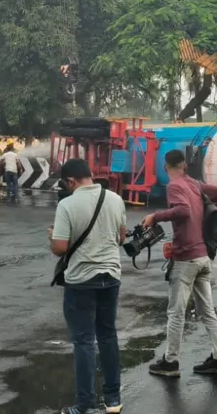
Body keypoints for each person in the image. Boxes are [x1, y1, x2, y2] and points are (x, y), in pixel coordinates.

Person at [142, 150, 217, 378]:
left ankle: (170, 362)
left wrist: (155, 217)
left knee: (176, 312)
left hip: (186, 260)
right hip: (203, 257)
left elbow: (183, 211)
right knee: (207, 311)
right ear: (185, 165)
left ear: (166, 167)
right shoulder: (195, 184)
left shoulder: (174, 187)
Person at [49, 159, 127, 414]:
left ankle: (84, 404)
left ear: (71, 181)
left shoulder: (67, 205)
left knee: (83, 341)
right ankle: (113, 400)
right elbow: (121, 237)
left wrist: (52, 237)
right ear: (90, 175)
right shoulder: (115, 199)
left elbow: (60, 247)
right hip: (111, 277)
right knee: (108, 336)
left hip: (81, 280)